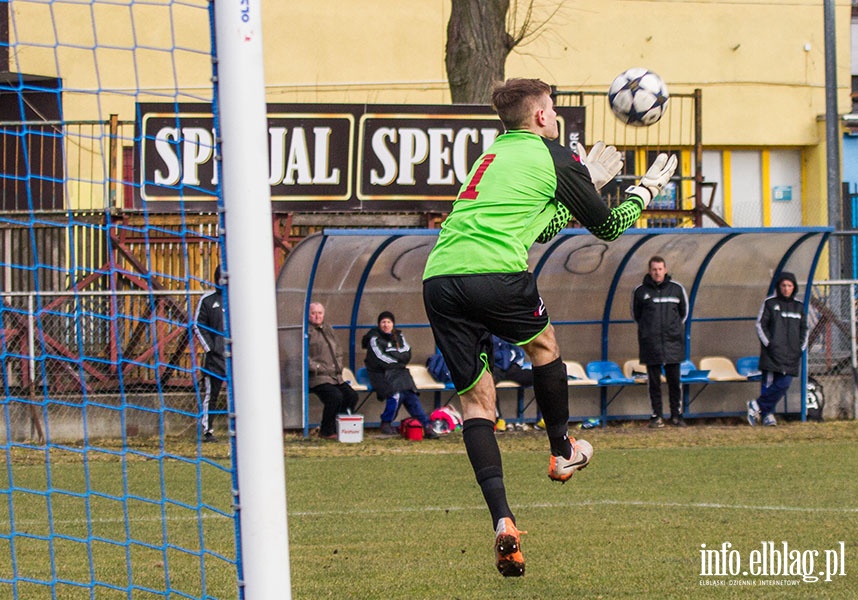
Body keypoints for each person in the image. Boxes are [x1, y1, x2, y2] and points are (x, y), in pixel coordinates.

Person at [422, 77, 677, 577]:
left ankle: (503, 522)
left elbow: (537, 228)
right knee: (545, 347)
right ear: (540, 116)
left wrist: (589, 180)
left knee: (476, 405)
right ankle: (561, 451)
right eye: (554, 110)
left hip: (440, 278)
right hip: (496, 272)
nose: (556, 119)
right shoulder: (553, 154)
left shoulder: (491, 158)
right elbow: (606, 227)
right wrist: (643, 192)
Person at [631, 256, 689, 428]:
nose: (657, 272)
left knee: (674, 382)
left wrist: (673, 330)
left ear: (665, 269)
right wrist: (649, 332)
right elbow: (636, 315)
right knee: (654, 383)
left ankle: (676, 415)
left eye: (660, 269)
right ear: (650, 271)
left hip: (673, 343)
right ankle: (656, 416)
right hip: (651, 344)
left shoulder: (677, 289)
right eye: (654, 269)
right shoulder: (640, 291)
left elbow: (683, 314)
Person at [361, 311, 439, 439]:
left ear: (393, 324)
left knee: (410, 394)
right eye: (383, 322)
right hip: (382, 374)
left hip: (400, 373)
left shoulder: (399, 336)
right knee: (396, 395)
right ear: (379, 324)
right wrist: (398, 361)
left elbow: (407, 353)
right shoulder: (374, 338)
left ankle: (426, 425)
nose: (386, 325)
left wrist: (395, 358)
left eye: (389, 322)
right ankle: (386, 422)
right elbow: (380, 358)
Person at [747, 272, 808, 427]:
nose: (786, 289)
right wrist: (770, 345)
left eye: (789, 286)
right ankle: (768, 415)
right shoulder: (770, 303)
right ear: (779, 286)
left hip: (791, 355)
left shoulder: (799, 307)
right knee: (769, 383)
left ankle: (757, 406)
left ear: (794, 287)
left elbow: (804, 330)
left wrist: (799, 349)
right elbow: (760, 325)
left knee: (785, 383)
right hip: (772, 354)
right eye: (783, 285)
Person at [307, 301, 358, 439]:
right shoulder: (306, 332)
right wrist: (317, 368)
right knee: (334, 397)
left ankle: (341, 427)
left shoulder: (328, 329)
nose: (317, 316)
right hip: (317, 378)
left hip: (335, 376)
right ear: (308, 315)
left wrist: (339, 365)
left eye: (320, 313)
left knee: (351, 395)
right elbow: (301, 356)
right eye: (313, 313)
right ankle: (326, 430)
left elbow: (338, 350)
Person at [193, 265, 226, 443]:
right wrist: (211, 348)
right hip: (215, 360)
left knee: (241, 395)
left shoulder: (241, 299)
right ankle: (208, 431)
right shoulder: (208, 300)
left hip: (237, 359)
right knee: (211, 394)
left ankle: (244, 429)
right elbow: (199, 325)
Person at [492, 336, 533, 431]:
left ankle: (543, 419)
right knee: (487, 384)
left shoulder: (509, 331)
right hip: (494, 368)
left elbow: (519, 352)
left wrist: (516, 364)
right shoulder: (486, 332)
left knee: (541, 376)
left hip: (512, 368)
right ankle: (498, 420)